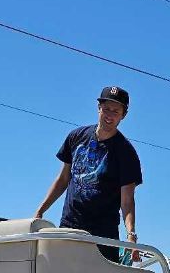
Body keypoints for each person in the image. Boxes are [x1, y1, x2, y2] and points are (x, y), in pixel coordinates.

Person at [34, 85, 142, 262]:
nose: (109, 115)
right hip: (70, 226)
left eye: (116, 111)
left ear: (123, 115)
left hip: (103, 234)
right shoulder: (76, 137)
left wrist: (131, 235)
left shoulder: (126, 153)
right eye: (106, 109)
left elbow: (127, 200)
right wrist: (40, 210)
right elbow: (63, 179)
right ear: (99, 108)